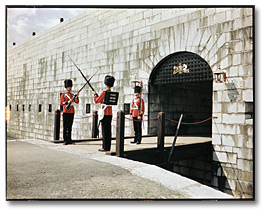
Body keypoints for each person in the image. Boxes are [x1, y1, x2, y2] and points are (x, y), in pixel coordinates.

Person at [93, 75, 115, 152]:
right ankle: (108, 146)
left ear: (105, 84)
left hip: (104, 113)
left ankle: (105, 147)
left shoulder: (104, 93)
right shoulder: (112, 93)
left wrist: (95, 95)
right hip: (110, 113)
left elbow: (96, 101)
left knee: (104, 131)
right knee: (108, 131)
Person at [60, 79, 79, 145]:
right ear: (66, 87)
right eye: (68, 87)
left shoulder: (72, 95)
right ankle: (65, 140)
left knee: (70, 126)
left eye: (70, 87)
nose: (69, 88)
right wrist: (68, 102)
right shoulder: (63, 95)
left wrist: (77, 97)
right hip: (66, 111)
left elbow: (77, 102)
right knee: (65, 127)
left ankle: (69, 139)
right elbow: (61, 103)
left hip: (71, 111)